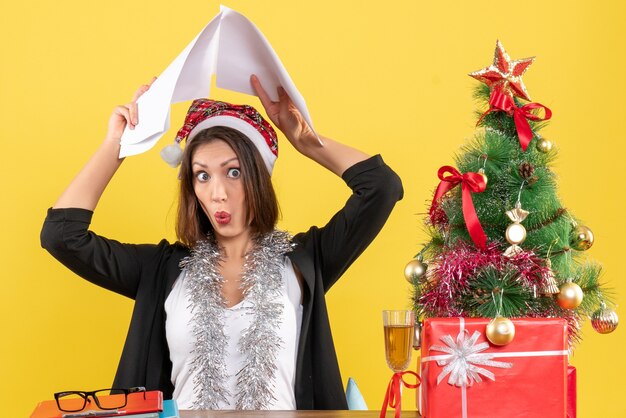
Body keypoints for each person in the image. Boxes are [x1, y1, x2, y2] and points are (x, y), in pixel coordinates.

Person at [40, 75, 403, 410]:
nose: (217, 193)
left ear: (258, 177)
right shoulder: (162, 269)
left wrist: (306, 140)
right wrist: (117, 145)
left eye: (234, 172)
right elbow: (62, 236)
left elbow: (382, 188)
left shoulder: (304, 261)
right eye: (201, 175)